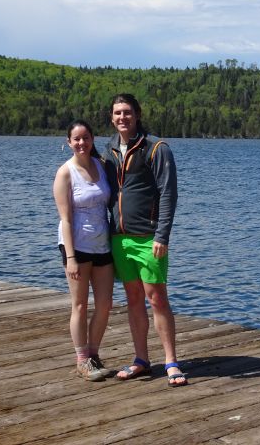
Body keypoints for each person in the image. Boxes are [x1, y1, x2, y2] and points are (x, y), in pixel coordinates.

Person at [102, 93, 187, 386]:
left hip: (149, 239)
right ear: (111, 118)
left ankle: (171, 362)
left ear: (137, 114)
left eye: (127, 112)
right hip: (120, 239)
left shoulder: (156, 148)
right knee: (134, 298)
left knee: (157, 298)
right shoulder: (110, 149)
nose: (122, 117)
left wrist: (162, 235)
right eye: (117, 113)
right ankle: (141, 359)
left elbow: (168, 194)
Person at [53, 120, 115, 382]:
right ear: (68, 143)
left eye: (86, 138)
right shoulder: (65, 173)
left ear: (92, 139)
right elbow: (66, 219)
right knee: (79, 304)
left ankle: (94, 354)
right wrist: (71, 258)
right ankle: (82, 360)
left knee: (104, 304)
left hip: (102, 243)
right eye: (76, 139)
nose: (82, 143)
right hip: (76, 244)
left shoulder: (101, 165)